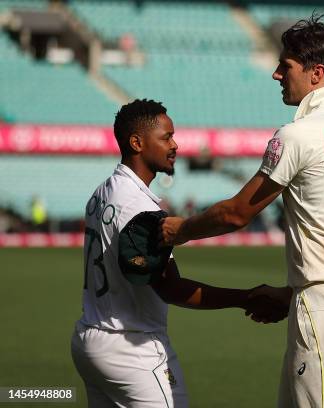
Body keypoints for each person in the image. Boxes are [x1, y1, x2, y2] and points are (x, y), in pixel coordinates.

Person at [160, 15, 324, 407]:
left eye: (286, 66)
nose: (276, 74)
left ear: (316, 73)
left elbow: (236, 213)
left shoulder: (298, 133)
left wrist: (178, 230)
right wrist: (291, 292)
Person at [70, 99, 286, 408]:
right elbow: (171, 288)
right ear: (137, 143)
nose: (175, 145)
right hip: (132, 345)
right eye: (166, 137)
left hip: (90, 337)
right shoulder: (139, 206)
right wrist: (246, 297)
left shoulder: (102, 192)